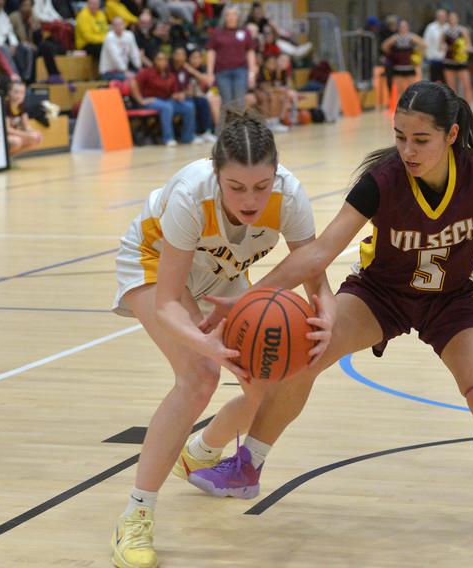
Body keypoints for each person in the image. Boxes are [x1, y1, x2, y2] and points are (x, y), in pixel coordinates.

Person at [183, 81, 473, 547]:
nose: (407, 150)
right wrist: (248, 297)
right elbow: (319, 253)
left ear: (452, 135)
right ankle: (246, 466)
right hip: (380, 294)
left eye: (421, 140)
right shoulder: (382, 181)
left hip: (451, 299)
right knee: (305, 352)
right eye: (400, 137)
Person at [109, 110, 335, 568]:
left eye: (261, 185)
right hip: (155, 263)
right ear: (217, 175)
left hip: (221, 273)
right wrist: (205, 344)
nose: (251, 199)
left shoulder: (289, 197)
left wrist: (326, 316)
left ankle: (200, 453)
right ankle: (136, 514)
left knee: (266, 380)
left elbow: (318, 284)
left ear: (276, 175)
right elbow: (171, 300)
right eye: (236, 187)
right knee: (199, 376)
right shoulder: (193, 195)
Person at [129, 50, 195, 146]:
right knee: (166, 107)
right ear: (154, 61)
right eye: (159, 59)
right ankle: (168, 139)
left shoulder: (170, 75)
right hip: (151, 101)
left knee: (189, 107)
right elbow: (133, 83)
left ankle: (188, 138)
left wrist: (178, 95)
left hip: (167, 101)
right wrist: (141, 100)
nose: (162, 62)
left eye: (164, 59)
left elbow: (174, 92)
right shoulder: (147, 72)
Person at [206, 5, 257, 123]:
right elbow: (211, 52)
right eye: (228, 14)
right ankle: (227, 130)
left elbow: (250, 53)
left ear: (238, 16)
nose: (231, 17)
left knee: (239, 102)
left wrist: (252, 73)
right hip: (222, 72)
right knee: (227, 102)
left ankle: (239, 130)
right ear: (224, 16)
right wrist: (209, 73)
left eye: (234, 14)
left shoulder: (245, 31)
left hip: (241, 71)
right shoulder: (217, 32)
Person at [381, 19, 426, 101]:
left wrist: (417, 54)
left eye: (405, 26)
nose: (403, 28)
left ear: (408, 27)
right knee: (400, 91)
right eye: (401, 26)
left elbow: (424, 45)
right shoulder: (395, 37)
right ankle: (401, 109)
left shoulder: (411, 37)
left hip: (409, 66)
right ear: (398, 28)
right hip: (398, 67)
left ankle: (410, 109)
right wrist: (391, 54)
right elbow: (384, 46)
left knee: (412, 90)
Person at [442, 12, 473, 106]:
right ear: (448, 19)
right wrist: (444, 46)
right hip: (449, 61)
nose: (452, 20)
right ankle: (454, 107)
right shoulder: (445, 31)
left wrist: (463, 49)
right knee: (451, 87)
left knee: (467, 85)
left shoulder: (463, 30)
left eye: (454, 18)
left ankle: (470, 106)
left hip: (461, 61)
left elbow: (469, 46)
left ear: (457, 19)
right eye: (451, 18)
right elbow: (441, 44)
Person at [4, 81, 44, 156]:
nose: (19, 95)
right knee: (16, 141)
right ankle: (4, 160)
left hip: (15, 134)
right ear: (9, 92)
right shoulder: (5, 106)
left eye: (22, 92)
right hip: (3, 135)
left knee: (35, 140)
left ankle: (10, 158)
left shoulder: (22, 106)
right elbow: (8, 130)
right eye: (16, 92)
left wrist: (33, 132)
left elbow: (26, 126)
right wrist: (28, 135)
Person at [100, 16, 140, 81]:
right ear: (112, 27)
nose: (118, 27)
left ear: (124, 25)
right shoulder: (109, 37)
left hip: (123, 70)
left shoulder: (129, 35)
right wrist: (125, 71)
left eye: (120, 24)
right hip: (109, 71)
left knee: (143, 76)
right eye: (116, 25)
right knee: (130, 79)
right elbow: (115, 57)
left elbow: (134, 53)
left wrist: (139, 67)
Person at [423, 8, 448, 83]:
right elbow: (426, 43)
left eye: (444, 16)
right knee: (434, 84)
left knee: (447, 84)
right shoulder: (431, 27)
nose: (442, 18)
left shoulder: (448, 27)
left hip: (447, 60)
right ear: (436, 17)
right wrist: (429, 57)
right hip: (434, 60)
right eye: (440, 16)